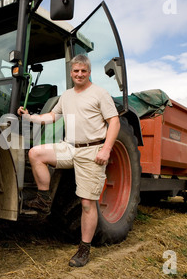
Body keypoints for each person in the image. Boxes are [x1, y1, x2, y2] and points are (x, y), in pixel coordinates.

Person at [17, 54, 120, 267]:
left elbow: (115, 122)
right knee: (35, 153)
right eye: (76, 71)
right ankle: (43, 200)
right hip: (70, 146)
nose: (79, 74)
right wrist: (30, 118)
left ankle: (84, 249)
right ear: (71, 73)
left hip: (92, 151)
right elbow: (53, 116)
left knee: (87, 203)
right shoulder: (66, 95)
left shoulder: (99, 93)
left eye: (83, 71)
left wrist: (106, 150)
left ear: (89, 72)